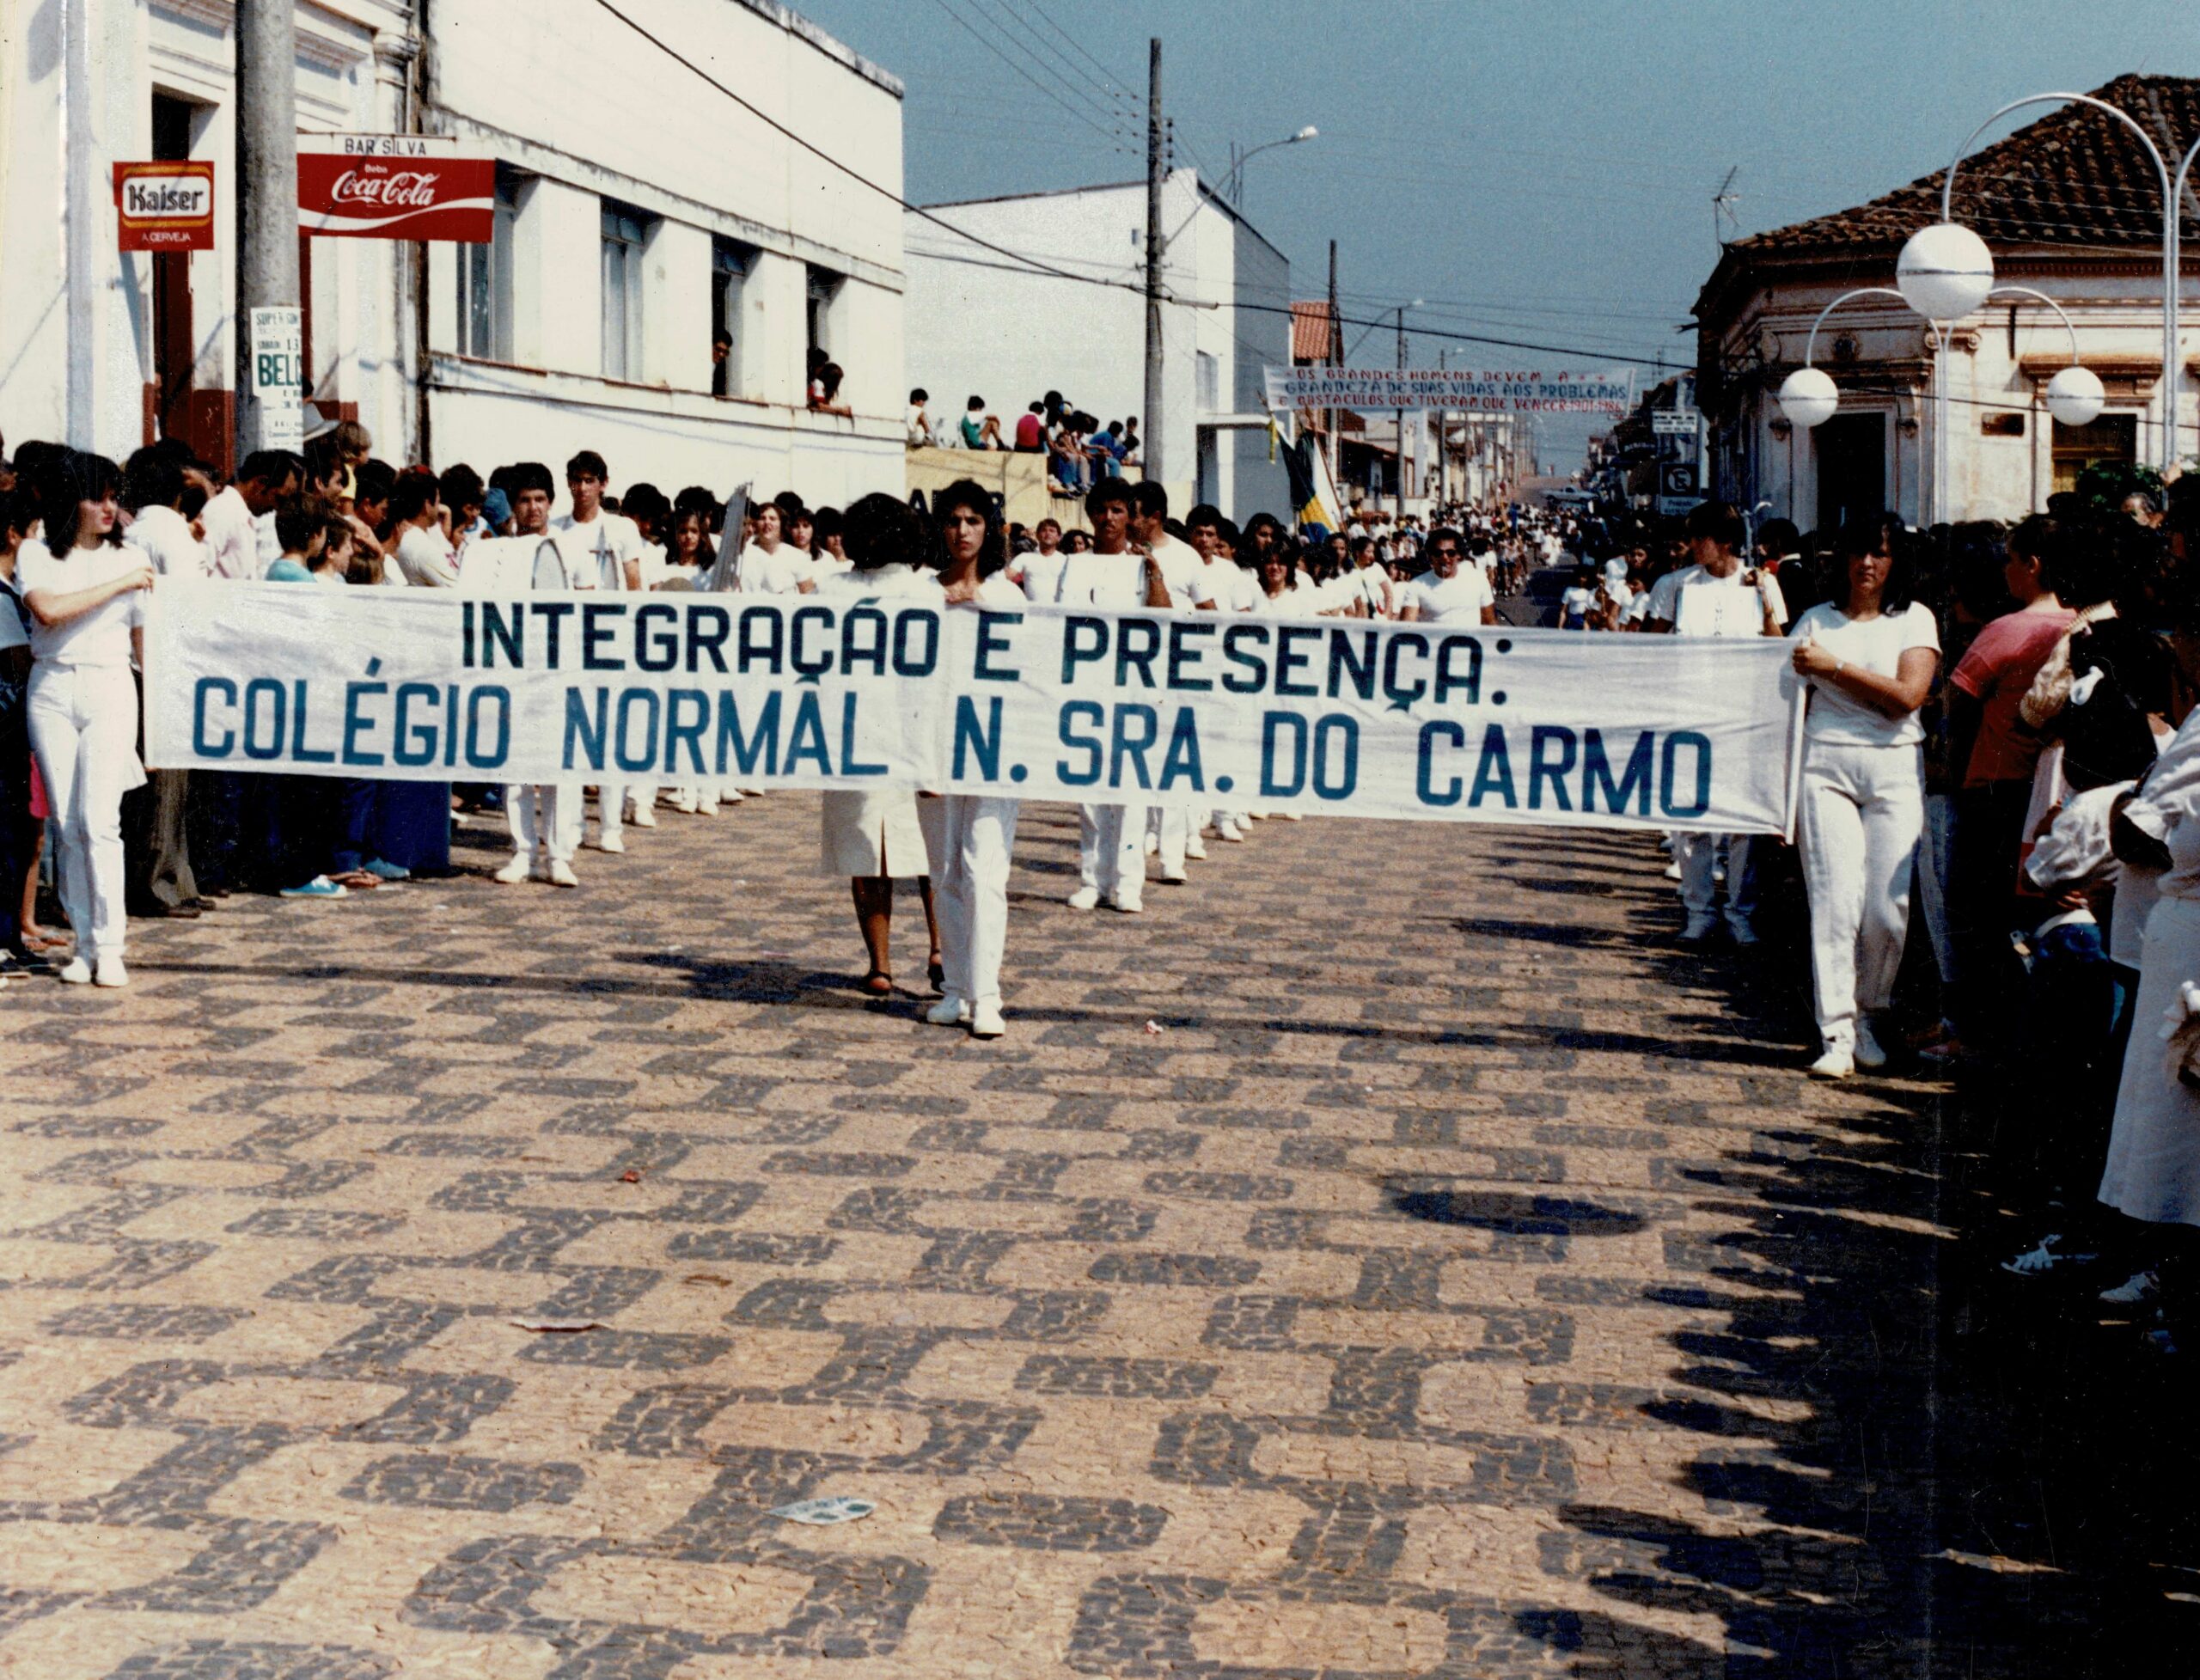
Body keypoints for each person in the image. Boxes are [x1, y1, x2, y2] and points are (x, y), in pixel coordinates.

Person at [1788, 517, 1940, 1078]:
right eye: (1857, 553)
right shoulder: (1814, 621)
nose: (1867, 565)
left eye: (1878, 554)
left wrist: (1837, 667)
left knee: (1886, 907)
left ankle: (1871, 1013)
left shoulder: (1915, 619)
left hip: (1893, 770)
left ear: (1895, 561)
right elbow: (1784, 702)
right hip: (1824, 767)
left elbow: (1907, 696)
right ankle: (1835, 1032)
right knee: (1835, 901)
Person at [1942, 514, 2081, 1058]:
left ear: (2033, 565)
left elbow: (1956, 703)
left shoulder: (2005, 630)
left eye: (2010, 558)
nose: (2004, 569)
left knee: (1981, 919)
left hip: (1995, 786)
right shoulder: (2081, 626)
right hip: (2051, 790)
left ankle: (1978, 1035)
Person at [19, 452, 152, 986]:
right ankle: (83, 942)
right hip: (51, 686)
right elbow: (47, 610)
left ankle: (111, 944)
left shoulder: (133, 553)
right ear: (68, 499)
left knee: (101, 820)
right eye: (97, 496)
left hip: (111, 685)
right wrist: (120, 585)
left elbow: (145, 645)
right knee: (67, 824)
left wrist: (156, 723)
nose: (108, 507)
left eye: (114, 496)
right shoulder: (36, 553)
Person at [1642, 499, 1788, 944]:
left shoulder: (1762, 583)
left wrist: (1764, 600)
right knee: (1692, 821)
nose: (1690, 547)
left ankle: (1740, 913)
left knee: (1742, 822)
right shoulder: (1675, 585)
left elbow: (1779, 645)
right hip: (1690, 713)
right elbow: (1648, 648)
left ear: (1724, 543)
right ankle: (1699, 909)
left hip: (1745, 717)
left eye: (1698, 539)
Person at [816, 493, 941, 994]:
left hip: (882, 735)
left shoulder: (838, 590)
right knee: (901, 849)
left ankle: (904, 958)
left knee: (892, 852)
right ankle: (914, 954)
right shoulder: (919, 590)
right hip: (887, 734)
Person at [924, 479, 1022, 1037]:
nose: (963, 531)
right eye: (954, 520)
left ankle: (988, 994)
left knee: (985, 869)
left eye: (974, 521)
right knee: (945, 871)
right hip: (935, 747)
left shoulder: (1009, 596)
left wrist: (972, 601)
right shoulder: (919, 590)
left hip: (993, 747)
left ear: (990, 530)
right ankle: (956, 988)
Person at [1056, 478, 1171, 912]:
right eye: (1101, 510)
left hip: (1133, 687)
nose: (1109, 519)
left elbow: (1162, 618)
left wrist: (1155, 574)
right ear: (1090, 515)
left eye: (1118, 510)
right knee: (1090, 789)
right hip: (1087, 686)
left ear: (1130, 516)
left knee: (1130, 789)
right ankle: (1093, 879)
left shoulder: (1143, 563)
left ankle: (1128, 883)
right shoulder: (1074, 564)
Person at [553, 450, 648, 851]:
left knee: (612, 737)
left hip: (614, 645)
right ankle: (572, 824)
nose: (581, 488)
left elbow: (634, 584)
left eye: (589, 480)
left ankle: (611, 826)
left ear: (603, 484)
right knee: (573, 737)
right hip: (573, 646)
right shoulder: (558, 530)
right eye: (575, 479)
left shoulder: (622, 528)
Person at [199, 451, 299, 580]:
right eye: (279, 499)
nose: (276, 508)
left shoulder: (240, 515)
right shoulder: (224, 510)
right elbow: (198, 570)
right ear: (260, 483)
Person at [1396, 528, 1497, 626]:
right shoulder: (1416, 585)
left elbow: (1490, 624)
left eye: (1451, 553)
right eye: (1438, 553)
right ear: (1431, 556)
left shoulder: (1478, 580)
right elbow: (1407, 628)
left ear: (1459, 555)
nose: (1445, 557)